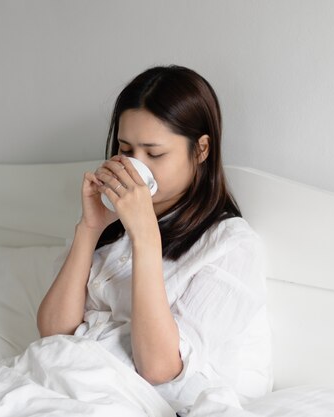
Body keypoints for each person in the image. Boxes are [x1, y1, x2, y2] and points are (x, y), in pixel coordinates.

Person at [37, 65, 272, 415]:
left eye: (154, 153)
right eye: (126, 149)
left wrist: (145, 235)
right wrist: (89, 229)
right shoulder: (113, 230)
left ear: (202, 149)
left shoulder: (231, 245)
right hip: (57, 378)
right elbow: (54, 333)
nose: (134, 166)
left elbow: (159, 368)